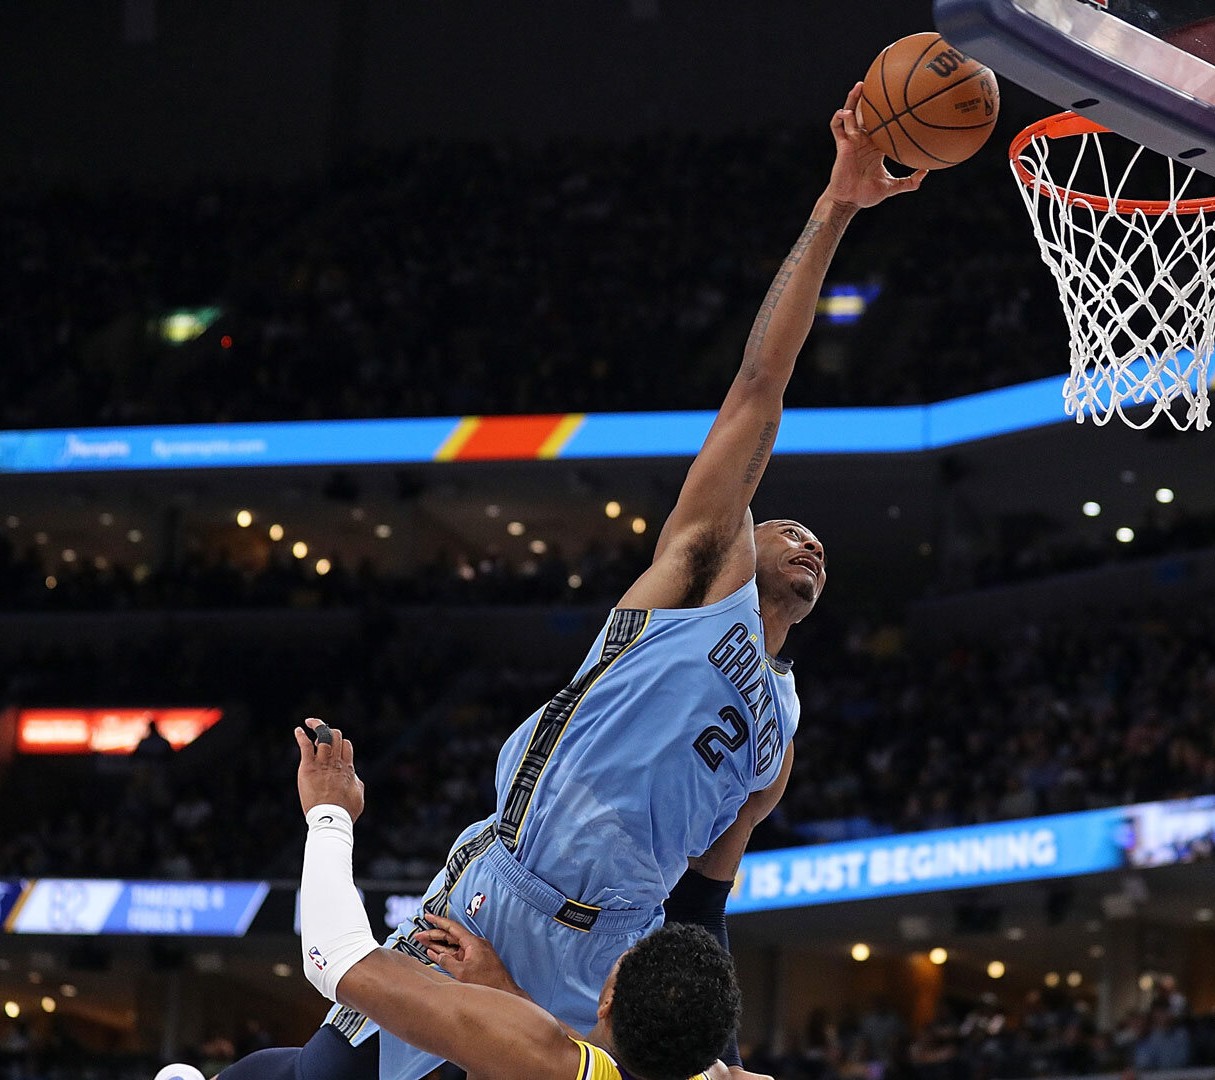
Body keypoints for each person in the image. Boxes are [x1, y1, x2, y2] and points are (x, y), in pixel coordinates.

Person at [209, 87, 925, 1080]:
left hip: (607, 960)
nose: (806, 543)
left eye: (820, 547)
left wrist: (713, 1061)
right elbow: (761, 385)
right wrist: (839, 205)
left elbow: (701, 911)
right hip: (506, 882)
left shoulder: (779, 744)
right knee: (332, 1076)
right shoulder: (699, 574)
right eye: (787, 529)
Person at [293, 720, 740, 1080]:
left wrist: (329, 813)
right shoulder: (688, 1071)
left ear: (606, 1001)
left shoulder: (544, 1061)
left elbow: (332, 956)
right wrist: (507, 990)